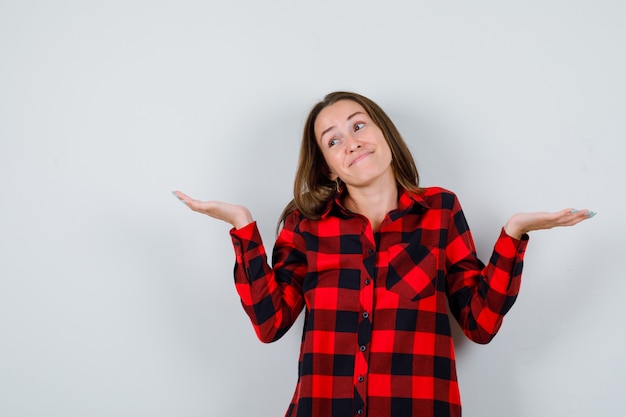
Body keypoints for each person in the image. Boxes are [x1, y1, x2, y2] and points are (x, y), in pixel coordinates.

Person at [173, 91, 594, 417]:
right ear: (327, 166)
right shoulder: (306, 225)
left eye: (359, 126)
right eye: (333, 140)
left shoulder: (440, 211)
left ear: (384, 133)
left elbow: (480, 323)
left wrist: (513, 234)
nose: (351, 143)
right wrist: (242, 226)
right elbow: (269, 323)